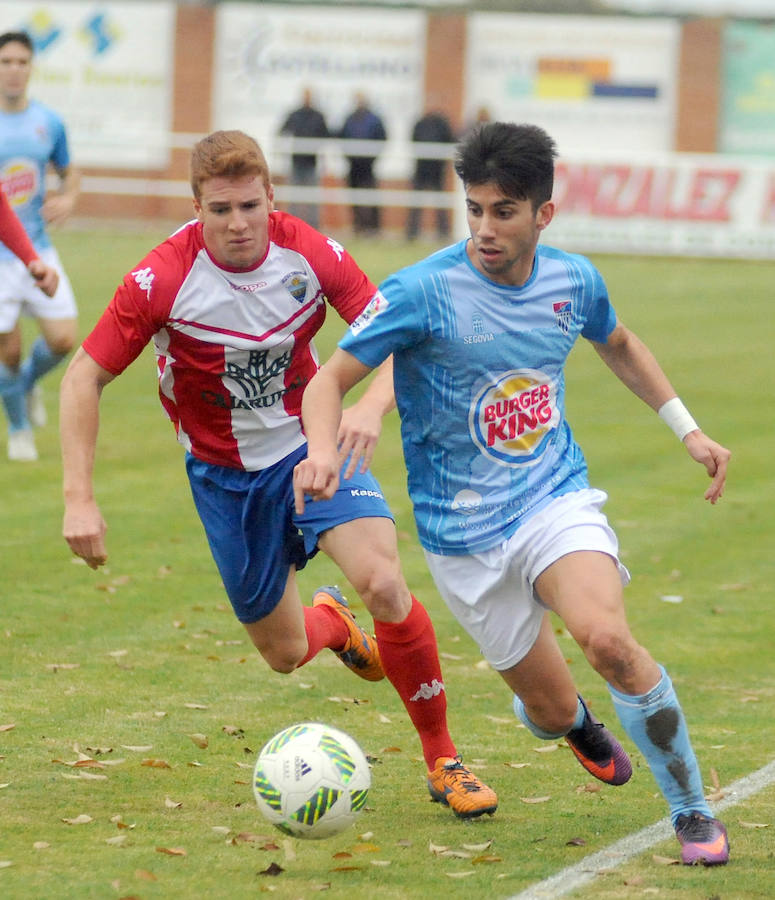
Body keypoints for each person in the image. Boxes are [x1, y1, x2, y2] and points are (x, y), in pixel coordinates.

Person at [294, 122, 732, 866]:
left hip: (551, 500)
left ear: (542, 214)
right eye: (475, 209)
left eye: (503, 211)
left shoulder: (572, 281)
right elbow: (328, 378)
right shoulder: (423, 289)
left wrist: (685, 429)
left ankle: (691, 811)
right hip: (462, 538)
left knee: (609, 642)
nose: (485, 228)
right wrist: (319, 449)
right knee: (552, 706)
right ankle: (564, 718)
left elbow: (618, 343)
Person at [59, 129, 498, 821]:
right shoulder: (161, 279)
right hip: (224, 477)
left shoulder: (310, 253)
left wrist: (369, 409)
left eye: (248, 207)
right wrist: (78, 500)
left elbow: (396, 338)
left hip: (311, 448)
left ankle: (442, 757)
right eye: (219, 210)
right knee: (286, 652)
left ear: (271, 196)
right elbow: (84, 377)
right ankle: (334, 625)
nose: (237, 224)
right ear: (196, 207)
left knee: (383, 580)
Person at [0, 30, 79, 462]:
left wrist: (68, 197)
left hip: (36, 247)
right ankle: (18, 429)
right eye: (5, 61)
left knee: (64, 338)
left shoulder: (48, 122)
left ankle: (27, 384)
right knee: (6, 352)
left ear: (31, 67)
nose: (13, 70)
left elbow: (70, 172)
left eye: (21, 62)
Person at [278, 87, 329, 229]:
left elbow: (326, 137)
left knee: (313, 196)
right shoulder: (295, 115)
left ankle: (314, 226)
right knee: (294, 196)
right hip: (296, 162)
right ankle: (291, 224)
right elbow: (282, 131)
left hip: (312, 163)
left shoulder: (318, 116)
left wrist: (324, 161)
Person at [405, 103, 455, 241]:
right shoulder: (420, 123)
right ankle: (412, 232)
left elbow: (450, 140)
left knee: (441, 204)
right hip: (421, 169)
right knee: (416, 202)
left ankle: (443, 232)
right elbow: (413, 141)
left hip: (437, 170)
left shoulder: (442, 124)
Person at [339, 92, 386, 235]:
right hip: (353, 165)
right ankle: (358, 225)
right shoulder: (350, 118)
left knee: (370, 196)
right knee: (354, 197)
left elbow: (382, 138)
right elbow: (342, 137)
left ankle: (373, 227)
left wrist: (372, 156)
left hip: (368, 165)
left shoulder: (374, 119)